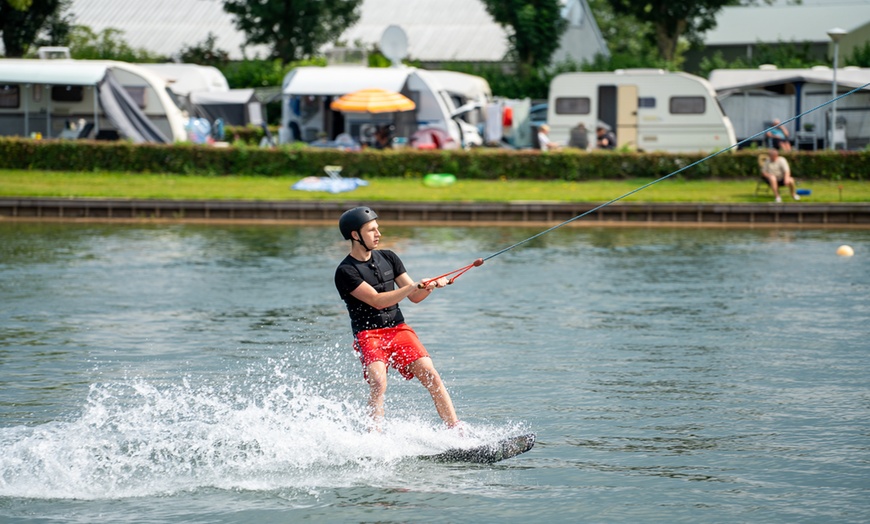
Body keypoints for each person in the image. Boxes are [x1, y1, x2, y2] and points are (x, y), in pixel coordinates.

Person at [334, 206, 461, 431]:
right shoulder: (345, 271)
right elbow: (377, 301)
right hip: (369, 334)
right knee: (378, 382)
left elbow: (415, 297)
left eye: (378, 228)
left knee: (430, 373)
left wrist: (431, 286)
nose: (378, 234)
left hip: (398, 329)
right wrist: (413, 286)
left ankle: (456, 429)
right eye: (371, 230)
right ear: (355, 235)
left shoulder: (389, 257)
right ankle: (374, 435)